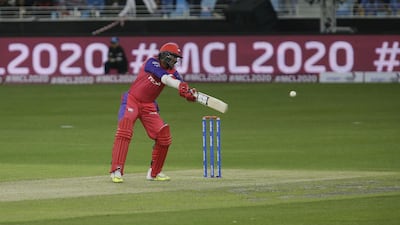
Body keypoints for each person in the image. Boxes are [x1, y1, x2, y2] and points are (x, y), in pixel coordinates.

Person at [109, 42, 197, 183]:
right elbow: (163, 77)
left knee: (164, 136)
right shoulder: (152, 62)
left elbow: (182, 87)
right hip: (132, 100)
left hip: (148, 105)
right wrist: (179, 85)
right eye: (174, 57)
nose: (176, 61)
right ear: (166, 56)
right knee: (125, 129)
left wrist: (189, 94)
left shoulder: (173, 72)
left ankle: (154, 172)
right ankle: (116, 170)